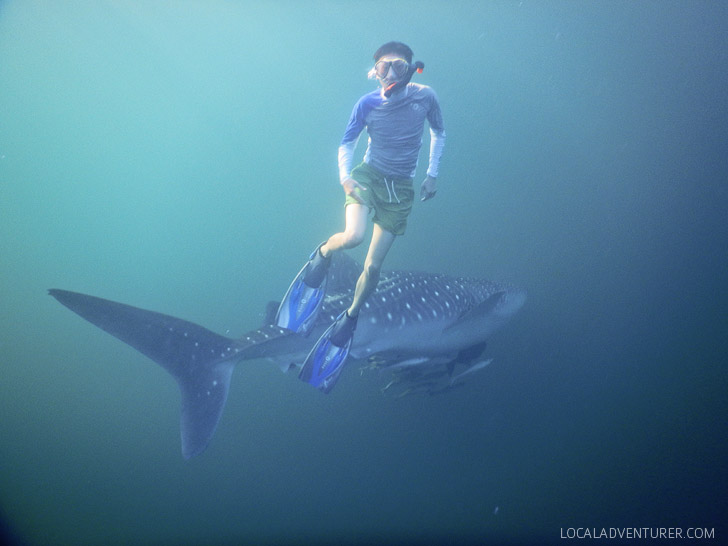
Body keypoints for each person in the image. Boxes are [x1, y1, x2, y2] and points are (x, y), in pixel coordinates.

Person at [276, 41, 446, 392]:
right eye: (383, 68)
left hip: (401, 189)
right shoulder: (367, 103)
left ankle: (350, 318)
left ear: (412, 68)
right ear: (375, 71)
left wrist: (432, 173)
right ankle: (323, 254)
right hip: (367, 176)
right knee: (352, 237)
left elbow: (438, 133)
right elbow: (346, 142)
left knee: (373, 268)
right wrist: (344, 176)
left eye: (398, 66)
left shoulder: (426, 96)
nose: (390, 75)